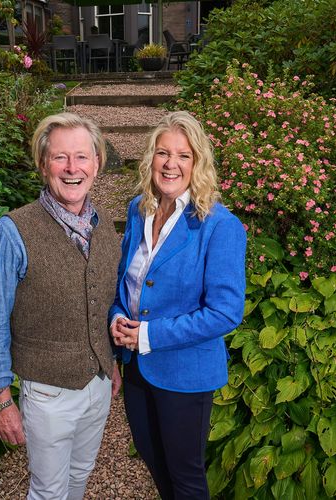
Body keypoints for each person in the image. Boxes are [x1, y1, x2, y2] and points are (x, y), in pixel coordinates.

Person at [0, 112, 122, 500]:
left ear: (97, 163)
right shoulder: (11, 232)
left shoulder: (104, 223)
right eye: (61, 157)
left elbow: (105, 298)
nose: (72, 168)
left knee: (81, 474)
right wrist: (0, 398)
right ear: (44, 165)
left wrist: (110, 363)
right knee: (47, 491)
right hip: (46, 393)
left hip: (98, 384)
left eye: (82, 157)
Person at [110, 111, 247, 499]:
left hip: (185, 373)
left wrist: (149, 334)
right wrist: (117, 316)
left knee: (185, 479)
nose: (171, 164)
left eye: (183, 156)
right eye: (163, 153)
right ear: (150, 158)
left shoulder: (219, 226)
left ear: (197, 163)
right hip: (137, 367)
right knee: (154, 461)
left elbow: (225, 311)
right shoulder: (139, 210)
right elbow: (128, 280)